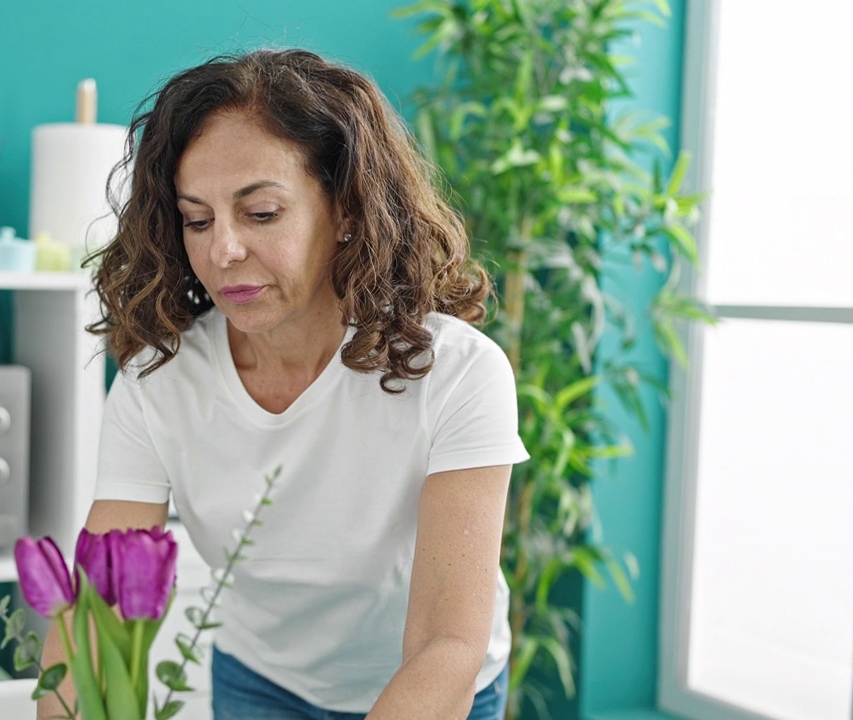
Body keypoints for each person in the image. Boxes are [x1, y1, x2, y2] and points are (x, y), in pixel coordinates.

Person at [42, 48, 529, 720]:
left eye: (262, 213)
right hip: (261, 681)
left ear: (348, 209)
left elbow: (446, 645)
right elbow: (95, 616)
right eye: (198, 219)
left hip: (436, 688)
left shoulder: (457, 374)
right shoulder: (159, 381)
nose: (224, 251)